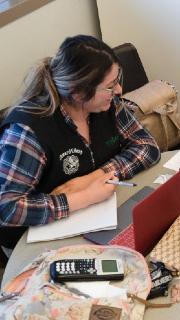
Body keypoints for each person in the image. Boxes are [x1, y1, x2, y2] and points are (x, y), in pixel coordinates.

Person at [0, 35, 160, 252]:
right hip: (32, 239)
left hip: (95, 219)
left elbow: (147, 146)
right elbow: (8, 208)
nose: (119, 91)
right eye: (110, 86)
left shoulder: (107, 104)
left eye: (117, 81)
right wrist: (83, 197)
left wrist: (93, 178)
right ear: (77, 92)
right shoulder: (28, 132)